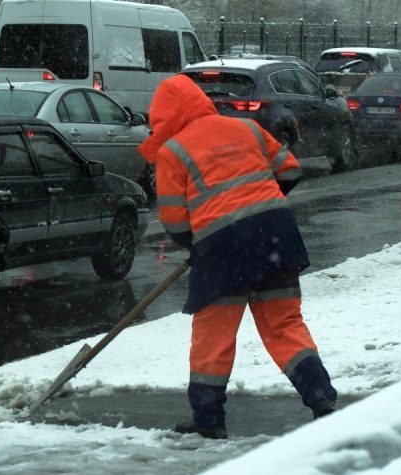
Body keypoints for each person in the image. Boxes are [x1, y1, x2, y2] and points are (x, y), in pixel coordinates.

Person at [137, 74, 338, 439]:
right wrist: (260, 205)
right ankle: (321, 397)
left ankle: (208, 419)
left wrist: (195, 245)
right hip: (277, 236)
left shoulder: (172, 151)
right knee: (285, 326)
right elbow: (291, 169)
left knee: (213, 336)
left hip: (221, 249)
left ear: (162, 116)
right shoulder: (246, 127)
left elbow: (173, 217)